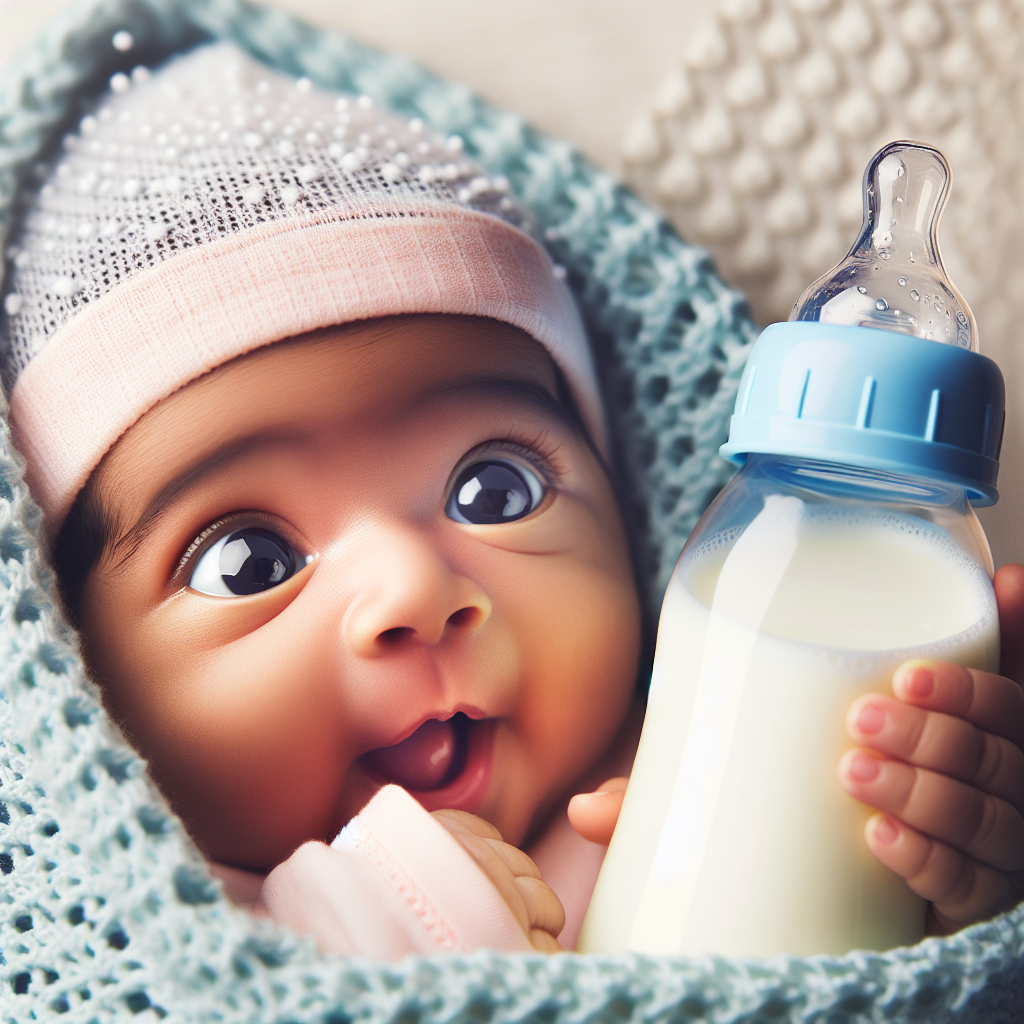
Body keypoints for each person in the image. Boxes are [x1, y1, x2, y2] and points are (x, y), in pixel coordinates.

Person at [1, 42, 1021, 957]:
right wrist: (393, 913)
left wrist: (940, 882)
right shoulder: (161, 936)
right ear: (77, 671)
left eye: (495, 489)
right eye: (249, 562)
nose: (413, 589)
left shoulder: (699, 748)